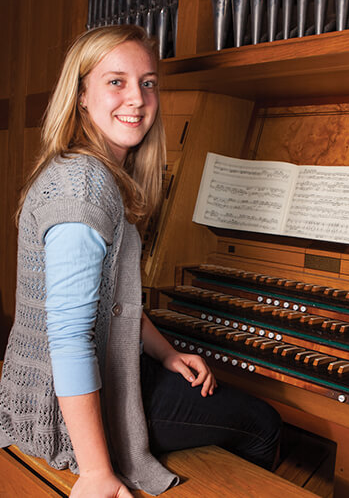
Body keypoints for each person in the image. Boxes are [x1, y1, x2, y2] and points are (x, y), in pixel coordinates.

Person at [0, 25, 281, 497]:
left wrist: (167, 352)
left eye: (148, 83)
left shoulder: (91, 170)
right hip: (59, 406)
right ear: (82, 95)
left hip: (61, 381)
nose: (137, 98)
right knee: (265, 423)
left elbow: (112, 304)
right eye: (116, 81)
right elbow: (68, 334)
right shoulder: (84, 185)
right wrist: (95, 473)